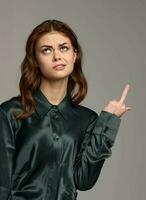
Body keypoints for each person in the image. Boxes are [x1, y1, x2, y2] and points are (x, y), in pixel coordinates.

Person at [0, 20, 131, 200]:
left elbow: (84, 180)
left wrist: (107, 123)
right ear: (35, 60)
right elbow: (2, 186)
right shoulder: (10, 113)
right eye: (46, 50)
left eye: (64, 48)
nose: (57, 56)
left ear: (74, 55)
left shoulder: (87, 119)